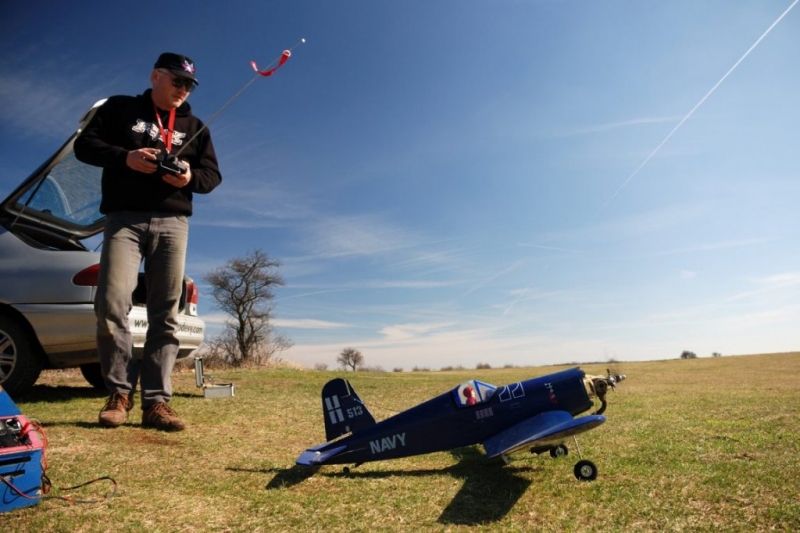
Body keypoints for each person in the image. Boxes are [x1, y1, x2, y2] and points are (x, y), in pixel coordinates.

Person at [74, 52, 222, 431]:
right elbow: (84, 146)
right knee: (112, 303)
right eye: (177, 81)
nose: (183, 89)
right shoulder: (120, 108)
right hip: (124, 219)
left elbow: (212, 177)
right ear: (156, 75)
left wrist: (188, 177)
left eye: (189, 84)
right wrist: (126, 157)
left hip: (174, 222)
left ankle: (157, 402)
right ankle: (119, 394)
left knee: (165, 313)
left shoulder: (196, 126)